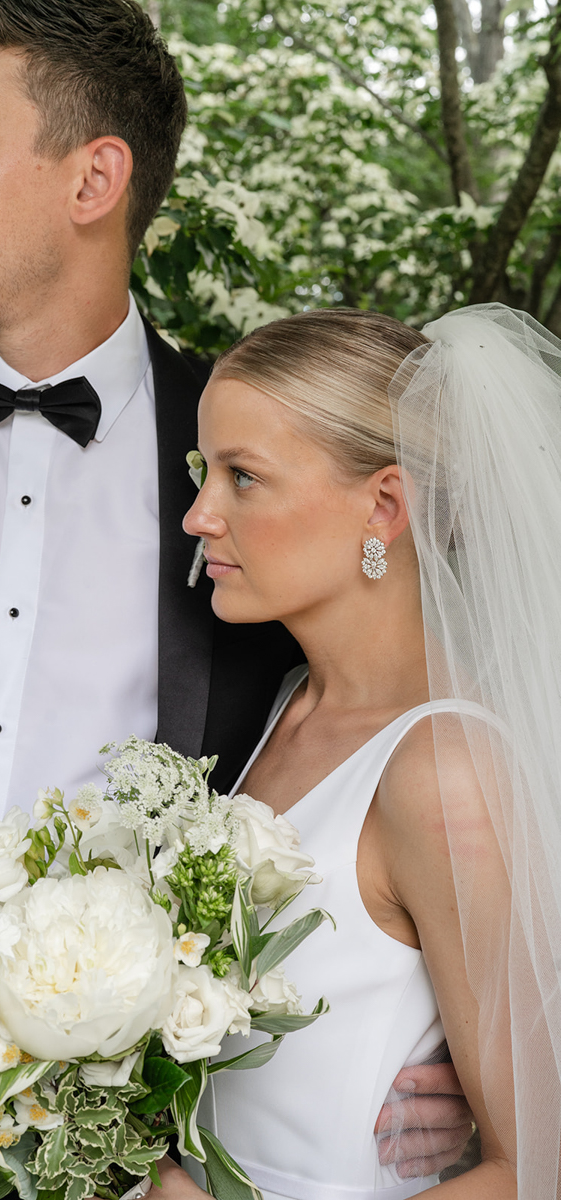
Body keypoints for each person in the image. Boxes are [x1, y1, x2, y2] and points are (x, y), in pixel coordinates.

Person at [0, 2, 471, 1195]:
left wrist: (441, 1029)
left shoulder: (253, 472)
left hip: (132, 1156)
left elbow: (393, 726)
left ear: (92, 178)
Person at [148, 302, 561, 1198]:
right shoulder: (286, 707)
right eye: (200, 471)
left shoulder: (443, 770)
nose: (197, 517)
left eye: (242, 477)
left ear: (383, 505)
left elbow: (536, 1165)